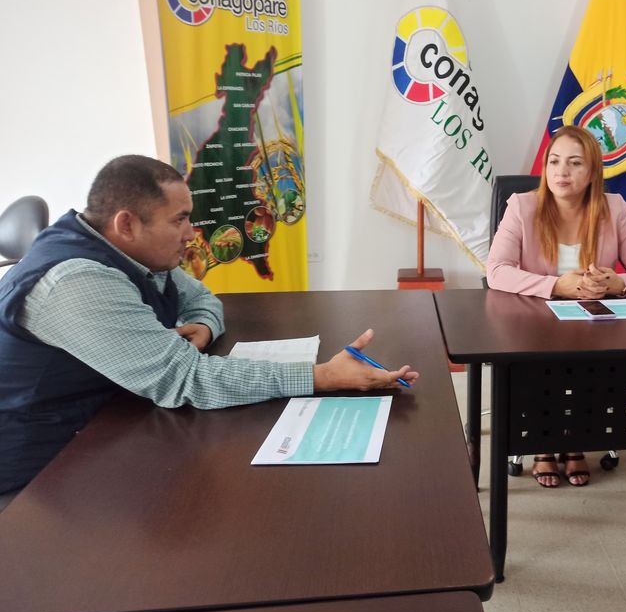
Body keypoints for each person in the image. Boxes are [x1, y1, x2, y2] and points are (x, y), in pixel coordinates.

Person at [0, 155, 418, 495]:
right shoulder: (78, 282)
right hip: (39, 470)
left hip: (106, 422)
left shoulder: (128, 249)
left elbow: (200, 297)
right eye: (179, 220)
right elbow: (186, 379)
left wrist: (202, 324)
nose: (191, 234)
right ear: (127, 224)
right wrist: (323, 376)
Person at [486, 125, 626, 487]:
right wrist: (555, 286)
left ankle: (574, 441)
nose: (561, 171)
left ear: (593, 171)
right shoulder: (522, 206)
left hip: (592, 322)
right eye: (554, 162)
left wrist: (619, 282)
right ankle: (543, 445)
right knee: (543, 358)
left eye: (574, 163)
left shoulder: (614, 207)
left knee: (595, 358)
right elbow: (496, 271)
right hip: (535, 319)